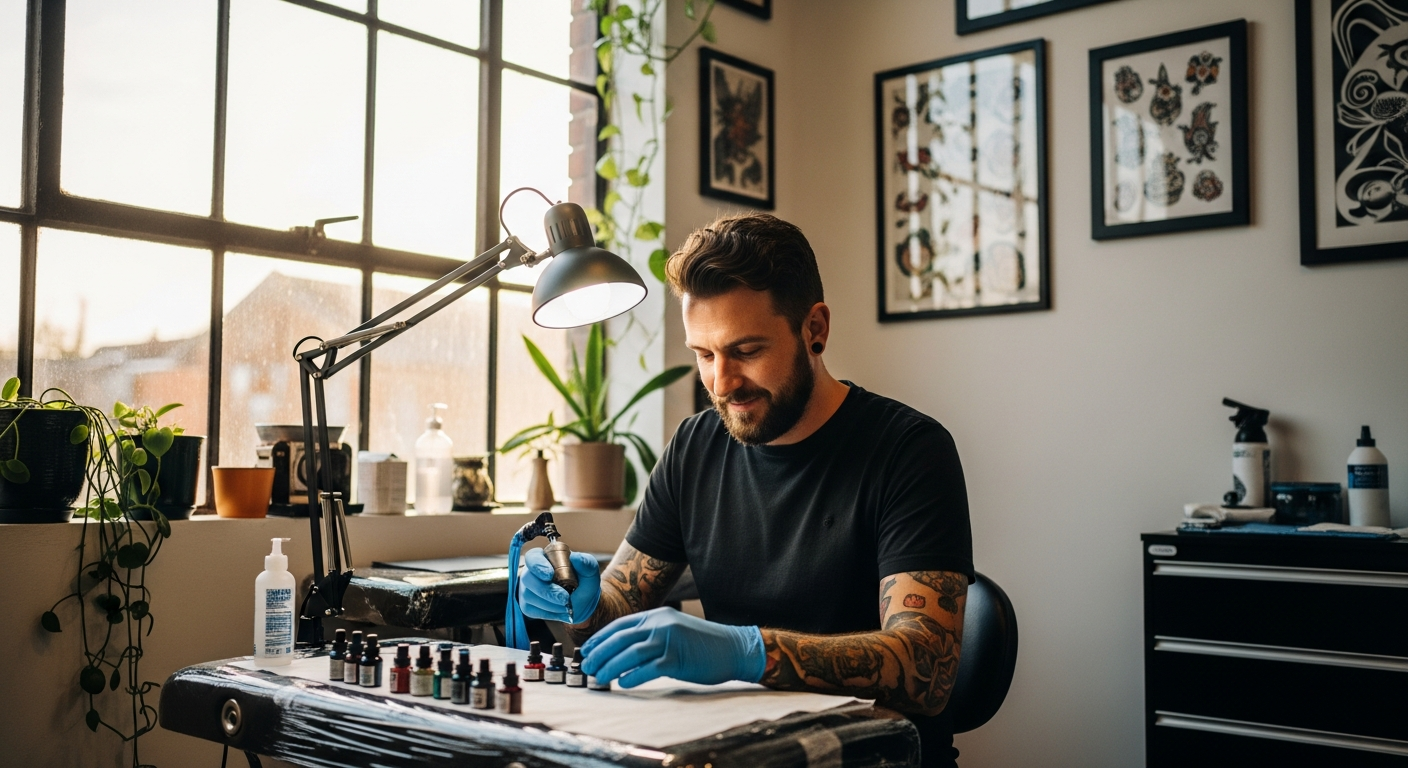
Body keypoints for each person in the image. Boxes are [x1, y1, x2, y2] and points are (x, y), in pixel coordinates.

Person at [517, 213, 973, 767]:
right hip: (740, 752)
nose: (722, 382)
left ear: (815, 329)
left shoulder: (909, 450)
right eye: (704, 355)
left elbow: (926, 669)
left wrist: (746, 651)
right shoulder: (695, 446)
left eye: (747, 351)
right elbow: (618, 605)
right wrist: (577, 599)